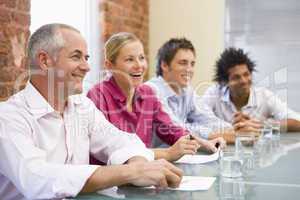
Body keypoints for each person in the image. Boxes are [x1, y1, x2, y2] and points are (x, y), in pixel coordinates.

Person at [0, 24, 184, 200]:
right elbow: (37, 178)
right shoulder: (9, 117)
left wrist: (137, 164)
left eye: (86, 58)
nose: (87, 67)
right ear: (45, 61)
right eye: (76, 56)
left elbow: (120, 141)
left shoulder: (82, 106)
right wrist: (131, 172)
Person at [87, 33, 225, 162]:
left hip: (142, 174)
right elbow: (115, 151)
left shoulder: (147, 93)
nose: (139, 66)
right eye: (129, 59)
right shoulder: (98, 96)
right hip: (109, 181)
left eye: (141, 58)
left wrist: (204, 143)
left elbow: (172, 130)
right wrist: (168, 153)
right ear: (110, 66)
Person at [146, 38, 235, 143]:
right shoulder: (152, 90)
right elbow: (177, 130)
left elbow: (207, 118)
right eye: (183, 63)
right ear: (164, 65)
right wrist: (213, 135)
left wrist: (233, 130)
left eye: (192, 64)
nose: (189, 69)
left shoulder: (187, 91)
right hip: (155, 156)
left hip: (180, 154)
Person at [200, 47, 300, 132]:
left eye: (246, 74)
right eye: (236, 77)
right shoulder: (214, 93)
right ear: (225, 82)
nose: (244, 81)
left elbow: (297, 121)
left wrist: (261, 125)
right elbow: (197, 120)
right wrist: (233, 127)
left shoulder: (264, 95)